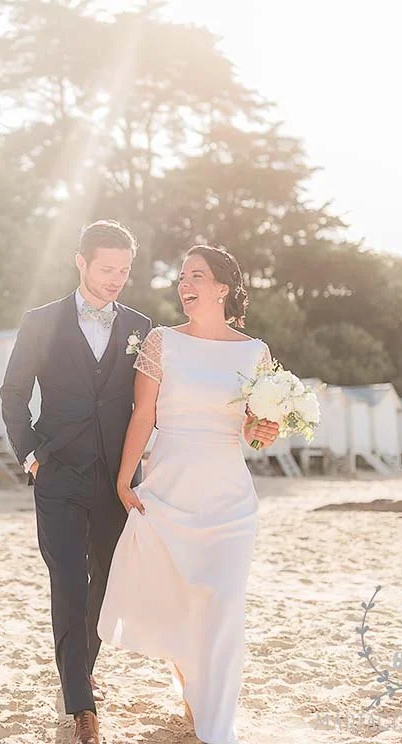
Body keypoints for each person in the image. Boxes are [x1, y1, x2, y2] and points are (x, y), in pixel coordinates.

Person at [96, 244, 279, 744]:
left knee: (221, 602)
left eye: (195, 275)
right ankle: (191, 690)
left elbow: (255, 436)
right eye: (181, 277)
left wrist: (268, 426)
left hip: (229, 497)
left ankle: (216, 722)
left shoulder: (254, 352)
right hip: (169, 488)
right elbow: (143, 415)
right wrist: (123, 477)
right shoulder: (161, 342)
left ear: (222, 287)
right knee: (182, 599)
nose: (184, 284)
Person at [0, 220, 152, 744]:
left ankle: (80, 666)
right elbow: (13, 393)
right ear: (81, 263)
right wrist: (31, 457)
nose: (116, 279)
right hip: (58, 473)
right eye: (107, 269)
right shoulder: (40, 322)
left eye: (124, 271)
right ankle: (80, 705)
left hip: (115, 478)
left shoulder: (141, 326)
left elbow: (150, 402)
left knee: (106, 580)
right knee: (67, 579)